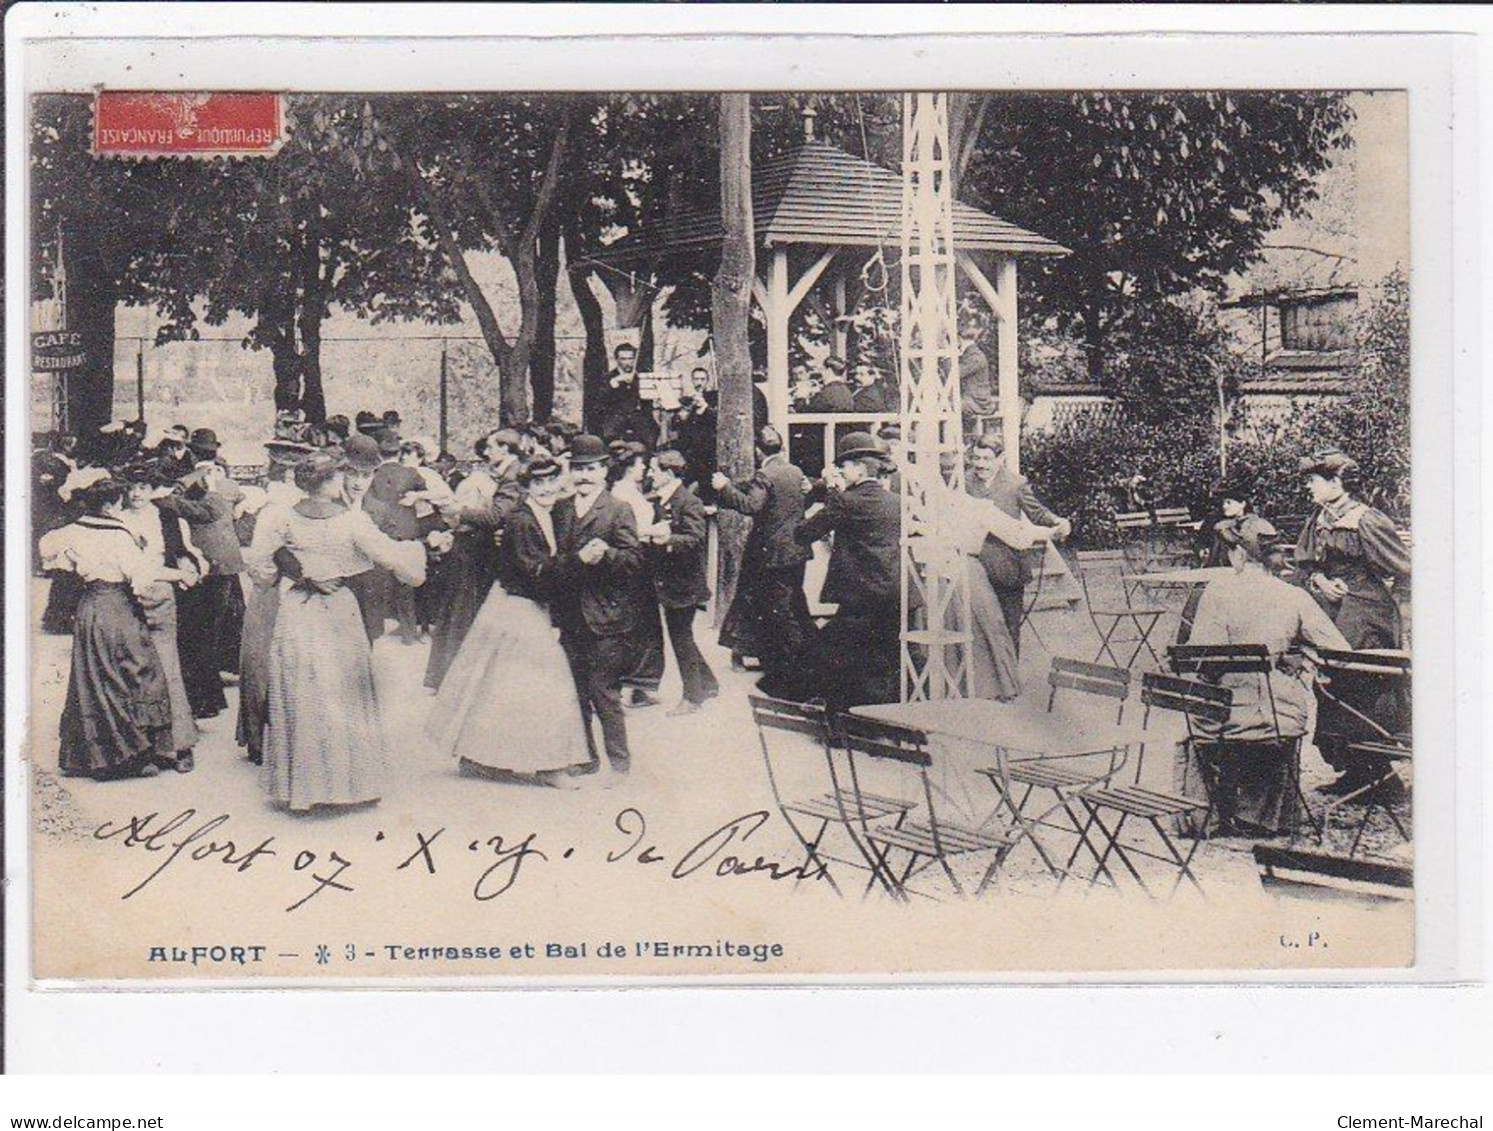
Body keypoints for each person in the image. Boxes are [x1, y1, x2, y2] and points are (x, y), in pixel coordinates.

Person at [246, 452, 426, 814]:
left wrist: (297, 574)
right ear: (329, 483)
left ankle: (302, 789)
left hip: (298, 607)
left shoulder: (279, 516)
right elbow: (396, 561)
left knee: (302, 689)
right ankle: (349, 785)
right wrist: (417, 556)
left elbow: (260, 566)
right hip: (338, 610)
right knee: (343, 690)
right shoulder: (352, 522)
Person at [1177, 517, 1351, 836]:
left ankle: (1207, 817)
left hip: (1221, 717)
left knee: (1211, 710)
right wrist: (1296, 655)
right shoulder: (1294, 596)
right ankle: (1261, 817)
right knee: (1279, 705)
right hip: (1277, 716)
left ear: (1239, 555)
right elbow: (1338, 649)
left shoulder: (1216, 594)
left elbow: (1200, 660)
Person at [427, 455, 590, 788]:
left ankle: (481, 757)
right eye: (538, 483)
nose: (546, 488)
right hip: (518, 606)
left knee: (499, 685)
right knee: (540, 683)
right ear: (527, 487)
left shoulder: (549, 514)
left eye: (551, 481)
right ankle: (548, 765)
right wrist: (577, 562)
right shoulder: (521, 520)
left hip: (521, 604)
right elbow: (534, 571)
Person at [40, 478, 192, 780]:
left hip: (89, 607)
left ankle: (93, 756)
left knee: (94, 678)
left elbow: (47, 551)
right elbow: (142, 574)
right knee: (136, 674)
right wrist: (181, 574)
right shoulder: (120, 534)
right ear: (110, 506)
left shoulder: (69, 530)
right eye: (120, 504)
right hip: (117, 606)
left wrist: (77, 564)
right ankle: (130, 755)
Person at [1293, 449, 1412, 796]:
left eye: (1313, 481)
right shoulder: (1319, 517)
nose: (1308, 487)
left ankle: (1383, 776)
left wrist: (1402, 616)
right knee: (1329, 685)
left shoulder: (1365, 519)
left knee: (1362, 686)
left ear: (1336, 482)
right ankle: (1355, 771)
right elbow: (1305, 564)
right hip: (1331, 611)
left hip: (1367, 614)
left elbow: (1404, 570)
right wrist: (1320, 581)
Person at [551, 434, 644, 777]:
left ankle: (619, 765)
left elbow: (634, 560)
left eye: (591, 469)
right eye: (577, 469)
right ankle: (586, 759)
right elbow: (556, 558)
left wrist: (606, 555)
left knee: (604, 693)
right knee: (575, 694)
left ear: (604, 470)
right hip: (570, 616)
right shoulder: (561, 508)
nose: (584, 476)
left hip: (607, 618)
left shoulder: (619, 509)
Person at [787, 431, 900, 709]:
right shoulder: (896, 501)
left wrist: (827, 490)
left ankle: (841, 725)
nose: (841, 470)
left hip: (858, 596)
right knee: (879, 660)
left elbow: (803, 533)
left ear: (859, 468)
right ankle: (880, 723)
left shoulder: (845, 500)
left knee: (836, 657)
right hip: (892, 594)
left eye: (845, 466)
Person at [120, 462, 205, 771]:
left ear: (152, 488)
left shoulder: (166, 516)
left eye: (142, 486)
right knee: (133, 671)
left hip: (160, 595)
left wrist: (190, 566)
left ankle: (178, 746)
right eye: (131, 487)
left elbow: (183, 550)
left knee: (167, 666)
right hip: (125, 597)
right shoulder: (115, 518)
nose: (136, 493)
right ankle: (141, 749)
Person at [424, 430, 525, 690]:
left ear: (505, 448)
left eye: (491, 447)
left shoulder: (512, 476)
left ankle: (454, 678)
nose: (487, 452)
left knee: (463, 612)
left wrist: (461, 511)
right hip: (481, 552)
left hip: (481, 554)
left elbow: (496, 516)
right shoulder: (507, 474)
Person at [713, 426, 814, 682]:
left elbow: (751, 506)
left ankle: (790, 662)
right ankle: (780, 656)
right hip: (796, 551)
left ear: (758, 451)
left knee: (774, 606)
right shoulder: (796, 472)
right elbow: (798, 503)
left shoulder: (765, 474)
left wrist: (724, 487)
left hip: (770, 554)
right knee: (790, 602)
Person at [966, 432, 1070, 657]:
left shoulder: (1015, 484)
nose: (980, 465)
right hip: (975, 566)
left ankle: (1010, 680)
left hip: (1008, 566)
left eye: (986, 459)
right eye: (976, 458)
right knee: (977, 624)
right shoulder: (964, 481)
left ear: (1000, 458)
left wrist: (1057, 521)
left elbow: (1037, 512)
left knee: (1008, 624)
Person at [157, 456, 245, 719]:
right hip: (217, 568)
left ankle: (208, 685)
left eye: (214, 470)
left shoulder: (215, 497)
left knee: (208, 628)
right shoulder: (209, 495)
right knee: (214, 625)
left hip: (215, 570)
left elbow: (177, 504)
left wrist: (188, 481)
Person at [237, 447, 306, 766]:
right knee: (267, 662)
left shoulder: (270, 507)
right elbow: (260, 561)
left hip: (275, 588)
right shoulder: (278, 509)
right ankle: (271, 737)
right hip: (277, 590)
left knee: (263, 661)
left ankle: (263, 738)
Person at [642, 449, 718, 715]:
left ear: (668, 472)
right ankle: (707, 684)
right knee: (682, 635)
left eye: (654, 470)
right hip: (671, 583)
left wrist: (668, 540)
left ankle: (692, 697)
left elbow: (695, 538)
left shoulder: (688, 502)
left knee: (681, 637)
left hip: (684, 584)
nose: (650, 474)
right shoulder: (662, 501)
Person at [608, 442, 665, 708]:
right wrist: (656, 530)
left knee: (643, 625)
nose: (644, 469)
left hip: (642, 560)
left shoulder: (631, 491)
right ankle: (623, 688)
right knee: (635, 624)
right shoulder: (622, 494)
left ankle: (638, 686)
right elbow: (634, 529)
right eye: (641, 464)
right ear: (630, 467)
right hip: (634, 561)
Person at [360, 429, 430, 643]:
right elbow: (425, 495)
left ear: (379, 454)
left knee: (377, 585)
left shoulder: (373, 476)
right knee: (406, 584)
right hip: (407, 534)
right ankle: (409, 634)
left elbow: (367, 505)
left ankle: (375, 632)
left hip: (383, 534)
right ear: (399, 453)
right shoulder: (412, 474)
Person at [593, 342, 657, 444]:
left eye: (630, 358)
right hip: (615, 417)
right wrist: (614, 382)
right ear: (617, 360)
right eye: (623, 359)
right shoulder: (608, 377)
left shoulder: (641, 376)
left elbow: (648, 401)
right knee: (608, 436)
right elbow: (600, 402)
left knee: (650, 437)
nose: (628, 362)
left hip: (638, 416)